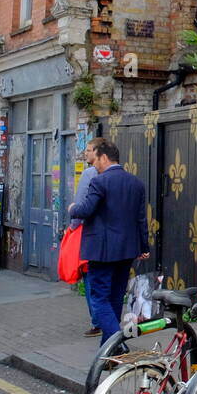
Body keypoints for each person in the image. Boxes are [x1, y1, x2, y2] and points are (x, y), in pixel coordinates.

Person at [68, 140, 149, 345]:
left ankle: (116, 342)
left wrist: (72, 209)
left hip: (102, 251)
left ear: (104, 157)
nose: (94, 164)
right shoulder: (136, 183)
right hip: (127, 250)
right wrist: (144, 247)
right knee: (115, 297)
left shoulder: (100, 181)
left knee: (98, 299)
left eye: (96, 159)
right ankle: (109, 352)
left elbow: (86, 210)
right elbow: (141, 218)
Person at [69, 139, 100, 335]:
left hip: (90, 237)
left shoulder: (89, 174)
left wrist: (72, 226)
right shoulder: (124, 176)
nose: (85, 153)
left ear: (99, 153)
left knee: (91, 279)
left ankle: (98, 322)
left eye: (88, 150)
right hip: (116, 243)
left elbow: (80, 204)